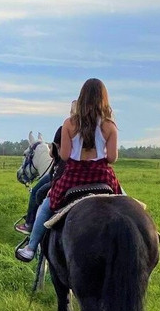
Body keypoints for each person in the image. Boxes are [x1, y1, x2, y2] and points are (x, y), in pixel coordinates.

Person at [16, 79, 120, 262]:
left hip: (74, 177)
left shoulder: (69, 124)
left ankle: (31, 247)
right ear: (104, 99)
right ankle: (153, 233)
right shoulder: (110, 126)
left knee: (47, 204)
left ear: (82, 98)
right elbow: (112, 158)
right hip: (102, 176)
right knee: (126, 201)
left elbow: (64, 156)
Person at [14, 101, 75, 234]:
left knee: (37, 192)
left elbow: (60, 155)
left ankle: (30, 226)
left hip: (68, 172)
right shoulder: (100, 127)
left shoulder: (66, 127)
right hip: (98, 173)